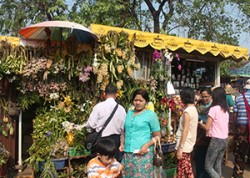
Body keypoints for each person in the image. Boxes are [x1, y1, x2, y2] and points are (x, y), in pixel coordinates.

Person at [119, 89, 161, 177]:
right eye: (135, 100)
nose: (137, 103)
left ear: (146, 101)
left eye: (141, 101)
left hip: (143, 155)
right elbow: (125, 130)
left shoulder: (151, 115)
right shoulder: (129, 113)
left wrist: (146, 146)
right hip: (128, 154)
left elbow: (157, 136)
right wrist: (122, 143)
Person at [86, 83, 126, 160]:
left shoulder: (98, 107)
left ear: (104, 94)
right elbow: (123, 128)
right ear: (116, 94)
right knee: (113, 164)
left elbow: (90, 125)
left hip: (102, 141)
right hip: (115, 141)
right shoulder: (121, 109)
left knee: (100, 164)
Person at [199, 87, 229, 178]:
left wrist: (199, 123)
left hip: (216, 140)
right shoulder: (225, 110)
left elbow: (207, 127)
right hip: (224, 140)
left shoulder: (214, 109)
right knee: (217, 164)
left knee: (208, 166)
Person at [175, 87, 198, 178]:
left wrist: (180, 148)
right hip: (189, 144)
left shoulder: (187, 111)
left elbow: (185, 130)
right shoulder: (193, 109)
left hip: (184, 145)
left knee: (181, 171)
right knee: (188, 170)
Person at [232, 79, 250, 178]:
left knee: (240, 153)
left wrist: (235, 129)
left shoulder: (239, 98)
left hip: (241, 128)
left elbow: (235, 115)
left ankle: (238, 174)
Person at [194, 87, 212, 178]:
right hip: (199, 135)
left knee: (208, 162)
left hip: (210, 135)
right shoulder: (198, 105)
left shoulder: (213, 107)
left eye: (207, 96)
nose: (205, 98)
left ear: (211, 96)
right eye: (203, 96)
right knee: (199, 160)